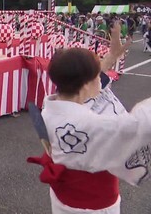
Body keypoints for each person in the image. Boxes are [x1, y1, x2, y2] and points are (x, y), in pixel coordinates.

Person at [27, 32, 151, 213]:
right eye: (96, 77)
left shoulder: (51, 107)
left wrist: (111, 57)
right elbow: (140, 124)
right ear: (85, 84)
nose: (100, 81)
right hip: (96, 206)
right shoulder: (94, 125)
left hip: (63, 199)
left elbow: (85, 89)